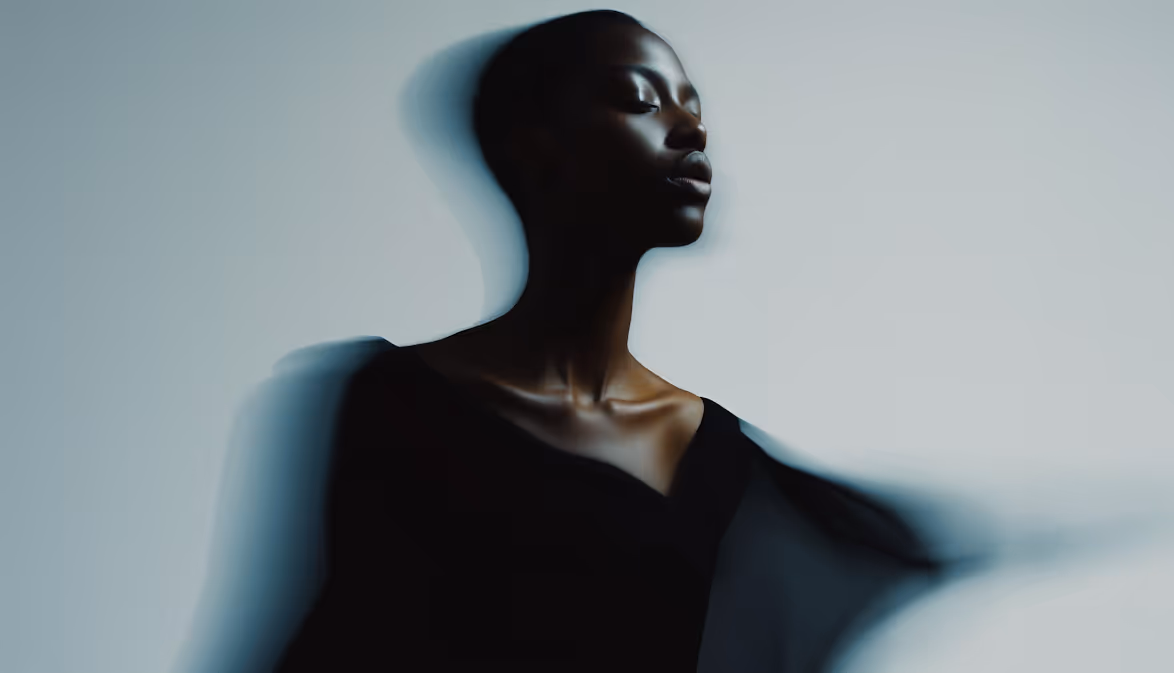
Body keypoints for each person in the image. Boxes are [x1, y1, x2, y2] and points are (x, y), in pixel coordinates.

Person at [271, 10, 948, 673]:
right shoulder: (397, 403)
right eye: (640, 99)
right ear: (535, 145)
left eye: (692, 104)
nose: (692, 128)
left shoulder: (725, 459)